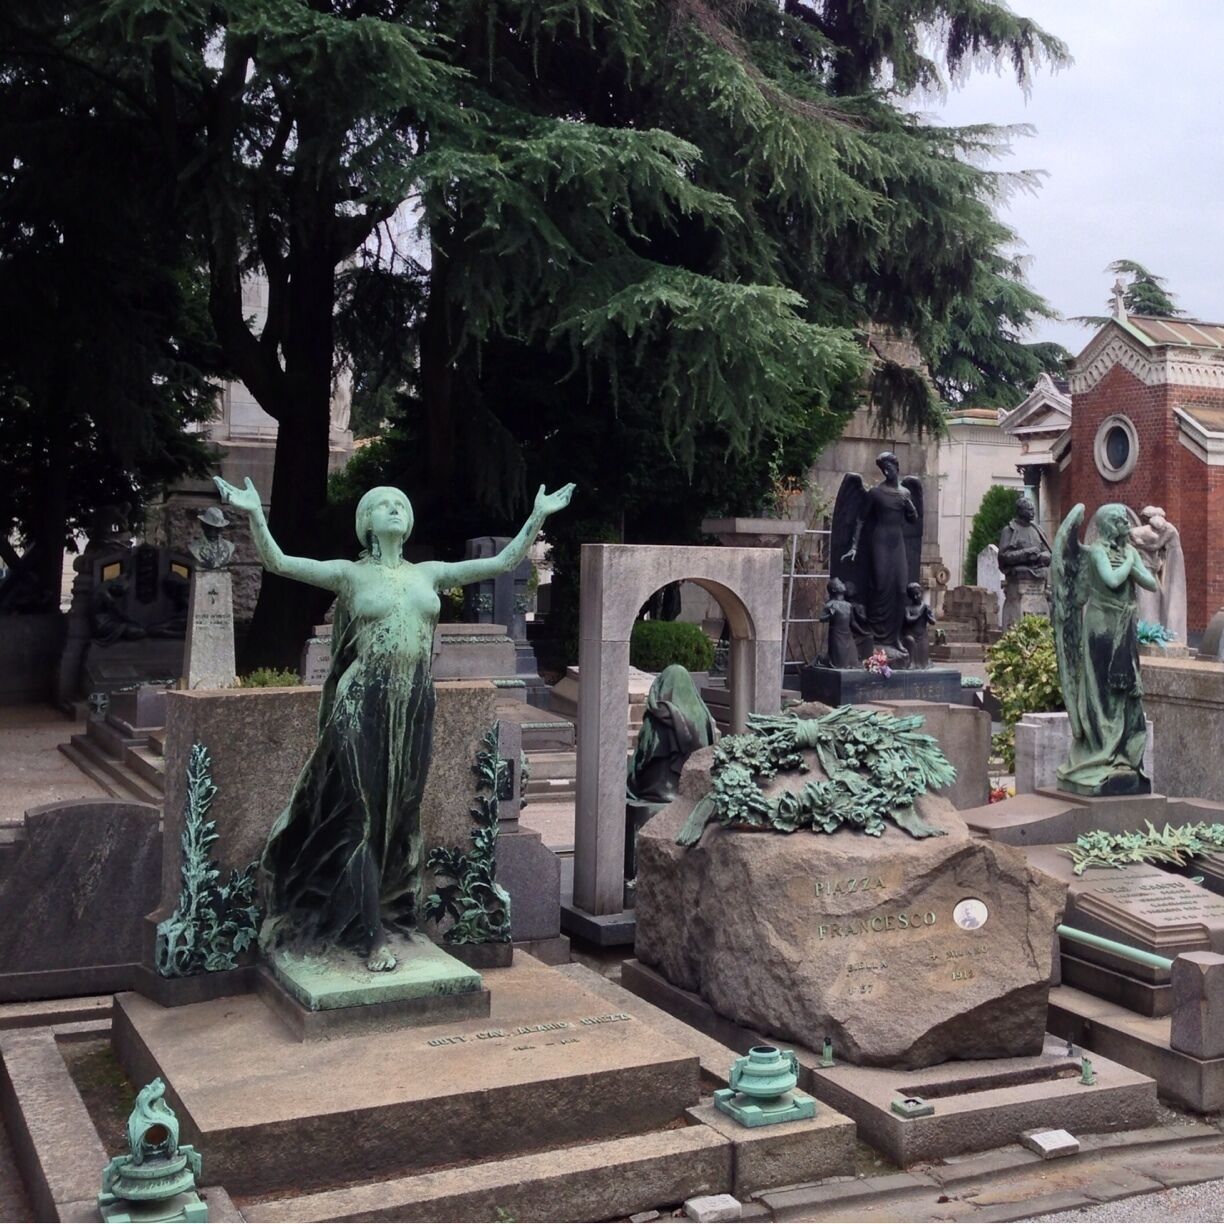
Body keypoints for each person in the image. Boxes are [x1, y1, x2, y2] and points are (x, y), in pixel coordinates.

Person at [213, 475, 574, 972]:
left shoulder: (428, 573)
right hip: (361, 701)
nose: (394, 509)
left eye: (400, 504)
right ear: (366, 524)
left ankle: (388, 909)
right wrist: (255, 513)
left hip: (414, 704)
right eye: (382, 505)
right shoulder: (349, 575)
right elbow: (278, 563)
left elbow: (502, 563)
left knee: (399, 815)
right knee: (360, 816)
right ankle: (368, 936)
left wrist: (538, 515)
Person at [1053, 503, 1158, 796]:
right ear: (1110, 524)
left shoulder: (1128, 552)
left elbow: (1151, 584)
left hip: (1124, 630)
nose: (1127, 523)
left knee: (1126, 694)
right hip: (1101, 630)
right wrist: (1130, 561)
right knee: (1102, 693)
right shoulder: (1097, 550)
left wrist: (1134, 560)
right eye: (1122, 520)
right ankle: (1101, 750)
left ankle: (1123, 756)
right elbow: (1112, 580)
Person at [839, 452, 918, 655]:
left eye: (889, 466)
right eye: (883, 468)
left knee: (900, 588)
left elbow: (913, 520)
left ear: (896, 467)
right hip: (880, 542)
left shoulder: (905, 493)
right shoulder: (875, 493)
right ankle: (875, 638)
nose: (886, 471)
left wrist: (910, 508)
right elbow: (861, 520)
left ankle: (895, 639)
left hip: (897, 542)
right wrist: (855, 546)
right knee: (881, 586)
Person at [818, 578, 865, 669]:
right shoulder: (830, 605)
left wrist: (863, 632)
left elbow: (853, 622)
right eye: (839, 583)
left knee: (853, 661)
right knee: (839, 661)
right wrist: (831, 615)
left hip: (847, 635)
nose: (843, 584)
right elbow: (821, 618)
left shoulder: (848, 605)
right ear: (834, 590)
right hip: (836, 635)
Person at [901, 583, 936, 669]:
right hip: (911, 635)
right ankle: (911, 663)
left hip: (922, 636)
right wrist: (920, 612)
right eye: (913, 595)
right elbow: (908, 620)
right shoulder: (908, 608)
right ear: (910, 597)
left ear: (921, 592)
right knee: (910, 641)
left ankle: (923, 663)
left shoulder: (926, 607)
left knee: (923, 662)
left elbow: (933, 621)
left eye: (917, 594)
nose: (916, 597)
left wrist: (927, 614)